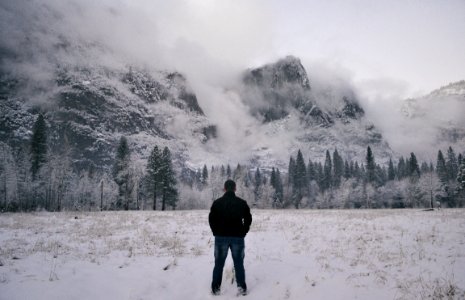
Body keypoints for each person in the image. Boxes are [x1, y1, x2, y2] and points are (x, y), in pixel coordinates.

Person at [209, 179, 252, 296]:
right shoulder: (242, 203)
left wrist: (215, 232)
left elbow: (211, 219)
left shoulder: (217, 203)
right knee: (239, 264)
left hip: (220, 237)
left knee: (218, 264)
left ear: (224, 188)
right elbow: (248, 218)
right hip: (238, 237)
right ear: (235, 188)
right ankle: (242, 289)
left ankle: (215, 290)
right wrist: (244, 231)